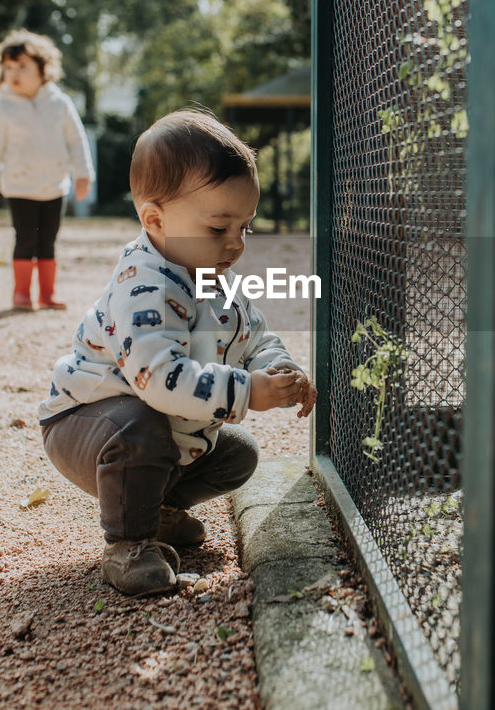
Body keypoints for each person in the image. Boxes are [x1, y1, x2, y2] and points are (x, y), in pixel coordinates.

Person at [37, 108, 317, 596]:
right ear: (155, 219)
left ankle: (156, 511)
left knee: (237, 455)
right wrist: (248, 392)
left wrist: (279, 369)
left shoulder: (214, 277)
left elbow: (255, 336)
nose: (236, 244)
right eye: (218, 228)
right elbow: (158, 377)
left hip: (152, 420)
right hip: (87, 423)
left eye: (245, 227)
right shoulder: (143, 285)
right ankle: (128, 545)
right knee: (139, 428)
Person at [0, 29, 95, 310]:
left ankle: (48, 293)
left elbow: (76, 140)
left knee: (48, 241)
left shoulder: (59, 103)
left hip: (54, 186)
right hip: (20, 187)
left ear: (42, 69)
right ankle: (22, 292)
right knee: (26, 239)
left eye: (23, 67)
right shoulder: (1, 107)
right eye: (8, 67)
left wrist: (83, 174)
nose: (14, 73)